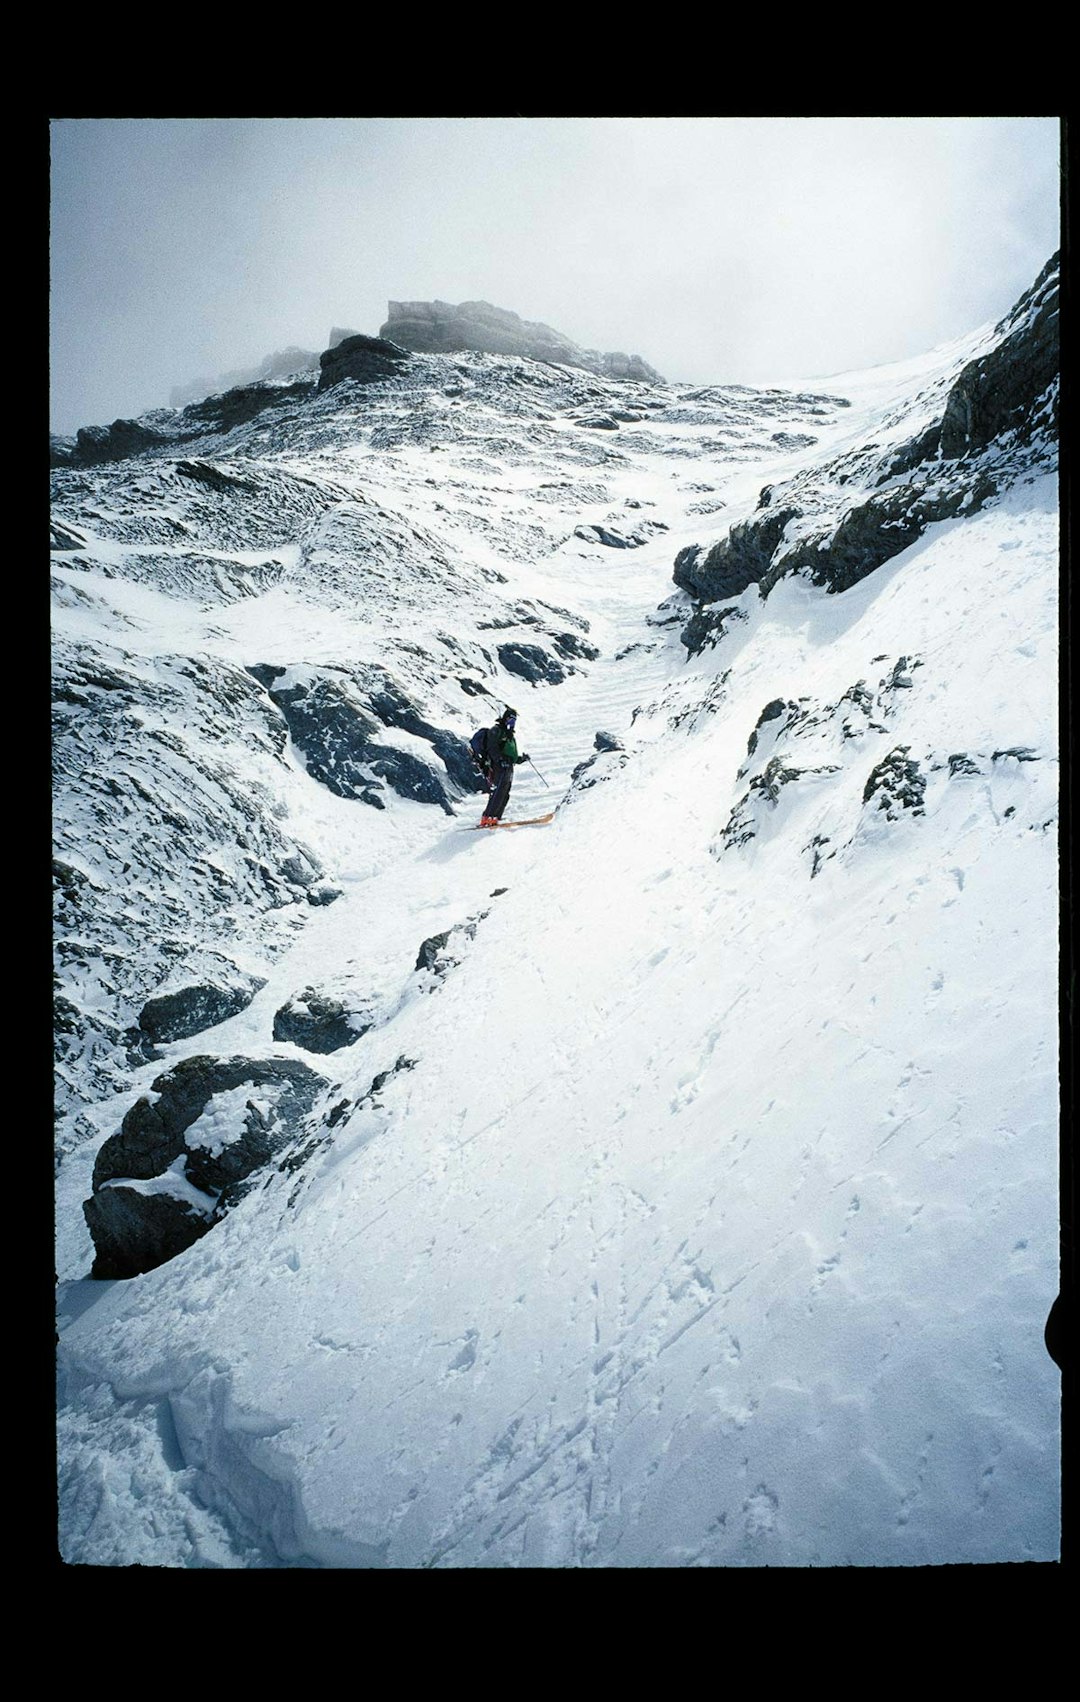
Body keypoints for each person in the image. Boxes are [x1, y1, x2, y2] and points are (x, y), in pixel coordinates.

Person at [480, 707, 529, 826]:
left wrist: (520, 759)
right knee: (498, 791)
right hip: (499, 766)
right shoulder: (496, 730)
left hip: (508, 767)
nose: (512, 722)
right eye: (511, 719)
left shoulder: (509, 735)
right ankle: (488, 817)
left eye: (514, 720)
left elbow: (511, 754)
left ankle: (496, 816)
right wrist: (500, 760)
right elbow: (492, 747)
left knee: (505, 792)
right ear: (505, 718)